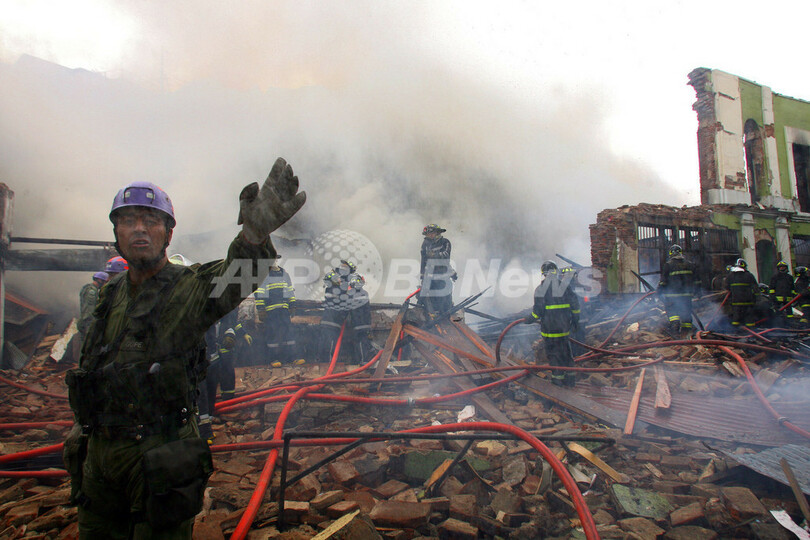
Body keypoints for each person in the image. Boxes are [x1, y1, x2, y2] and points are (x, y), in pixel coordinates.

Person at [63, 158, 305, 539]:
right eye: (128, 220)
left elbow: (237, 276)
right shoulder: (108, 295)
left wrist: (254, 238)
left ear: (168, 234)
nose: (139, 229)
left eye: (151, 220)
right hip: (98, 457)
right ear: (116, 232)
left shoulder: (189, 287)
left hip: (158, 454)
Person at [526, 260, 580, 387]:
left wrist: (529, 319)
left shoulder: (540, 290)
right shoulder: (565, 287)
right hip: (564, 330)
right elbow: (575, 305)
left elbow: (537, 313)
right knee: (566, 353)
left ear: (543, 274)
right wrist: (576, 321)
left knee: (554, 356)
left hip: (549, 331)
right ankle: (570, 380)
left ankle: (557, 381)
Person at [319, 259, 374, 363]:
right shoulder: (334, 281)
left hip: (359, 320)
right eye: (342, 266)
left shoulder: (358, 288)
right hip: (332, 318)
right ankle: (326, 364)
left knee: (361, 337)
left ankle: (362, 362)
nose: (342, 268)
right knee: (328, 338)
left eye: (345, 267)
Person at [255, 254, 301, 367]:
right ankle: (273, 359)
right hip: (271, 311)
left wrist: (292, 304)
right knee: (273, 335)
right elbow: (260, 293)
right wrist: (261, 309)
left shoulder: (284, 273)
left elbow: (290, 290)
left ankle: (292, 358)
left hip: (284, 309)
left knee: (288, 333)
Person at [657, 244, 699, 337]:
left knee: (673, 313)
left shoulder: (668, 265)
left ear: (671, 253)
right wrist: (696, 293)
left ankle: (675, 332)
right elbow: (696, 281)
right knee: (686, 314)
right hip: (686, 296)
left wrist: (659, 291)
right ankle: (687, 334)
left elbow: (663, 282)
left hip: (672, 296)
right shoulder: (690, 264)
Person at [419, 223, 455, 317]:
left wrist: (434, 255)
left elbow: (446, 254)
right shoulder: (425, 244)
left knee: (444, 299)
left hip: (443, 276)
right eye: (428, 234)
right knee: (428, 298)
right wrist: (422, 275)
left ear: (437, 232)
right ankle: (432, 316)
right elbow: (423, 260)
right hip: (430, 276)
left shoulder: (445, 242)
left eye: (432, 233)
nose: (429, 236)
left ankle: (447, 316)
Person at [727, 258, 759, 329]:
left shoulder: (730, 276)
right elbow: (756, 289)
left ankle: (735, 333)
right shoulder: (749, 275)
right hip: (748, 302)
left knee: (736, 319)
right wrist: (756, 299)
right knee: (749, 319)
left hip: (736, 303)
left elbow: (727, 288)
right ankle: (751, 333)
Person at [77, 271, 108, 344]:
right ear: (100, 280)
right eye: (105, 282)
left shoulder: (87, 288)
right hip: (88, 323)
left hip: (85, 322)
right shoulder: (92, 292)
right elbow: (90, 310)